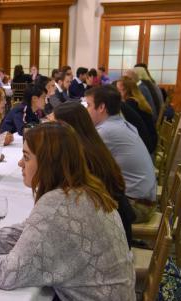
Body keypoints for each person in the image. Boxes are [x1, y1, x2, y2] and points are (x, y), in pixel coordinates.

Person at [0, 122, 137, 301]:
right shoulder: (83, 190)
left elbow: (8, 273)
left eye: (26, 157)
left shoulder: (58, 204)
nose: (20, 163)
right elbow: (26, 231)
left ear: (49, 163)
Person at [52, 102, 136, 247]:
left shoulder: (82, 155)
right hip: (116, 225)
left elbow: (70, 200)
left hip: (111, 239)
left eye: (54, 126)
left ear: (66, 128)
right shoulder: (92, 143)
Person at [85, 86, 156, 223]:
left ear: (101, 107)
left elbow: (81, 162)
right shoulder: (120, 124)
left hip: (137, 206)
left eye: (88, 105)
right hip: (143, 200)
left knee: (80, 210)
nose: (86, 110)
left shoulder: (106, 131)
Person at [116, 77, 158, 154]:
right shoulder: (138, 100)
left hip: (147, 146)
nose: (116, 93)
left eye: (118, 90)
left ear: (126, 90)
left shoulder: (130, 103)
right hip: (152, 140)